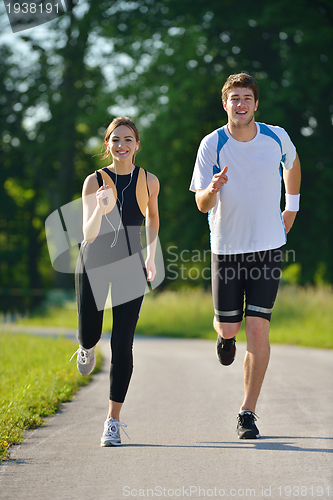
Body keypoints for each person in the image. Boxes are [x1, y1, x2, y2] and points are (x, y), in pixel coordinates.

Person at [190, 73, 301, 439]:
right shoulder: (212, 144)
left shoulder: (276, 136)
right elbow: (201, 204)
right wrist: (212, 188)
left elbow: (293, 164)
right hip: (226, 247)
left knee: (258, 326)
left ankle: (247, 412)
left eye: (247, 98)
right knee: (230, 327)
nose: (240, 104)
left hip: (268, 244)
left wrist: (292, 207)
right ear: (225, 104)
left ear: (256, 104)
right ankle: (224, 337)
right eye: (234, 98)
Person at [71, 117, 160, 446]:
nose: (121, 145)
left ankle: (112, 419)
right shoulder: (94, 181)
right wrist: (101, 208)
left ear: (137, 145)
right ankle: (85, 347)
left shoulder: (150, 181)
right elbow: (88, 234)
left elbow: (152, 218)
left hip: (129, 265)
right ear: (106, 145)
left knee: (122, 343)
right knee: (91, 333)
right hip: (93, 263)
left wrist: (150, 258)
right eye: (115, 140)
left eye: (128, 139)